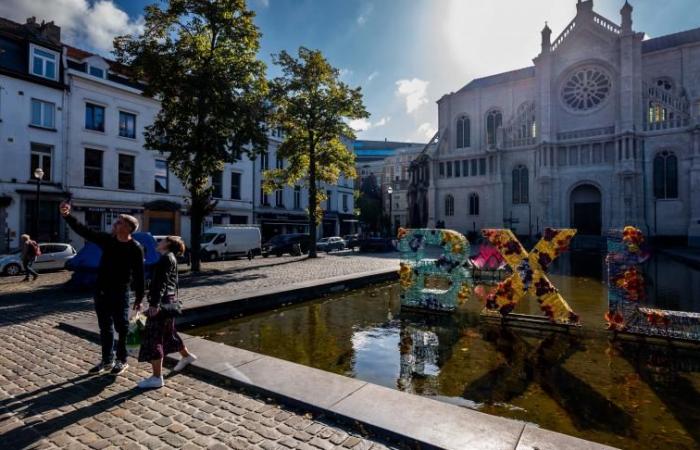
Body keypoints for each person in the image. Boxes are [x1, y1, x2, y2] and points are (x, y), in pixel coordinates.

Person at [59, 201, 144, 375]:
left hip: (120, 292)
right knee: (105, 327)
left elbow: (139, 274)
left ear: (128, 228)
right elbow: (85, 231)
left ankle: (122, 360)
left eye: (119, 222)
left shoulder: (135, 248)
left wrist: (139, 298)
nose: (115, 224)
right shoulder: (107, 240)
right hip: (102, 291)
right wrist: (67, 216)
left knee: (122, 327)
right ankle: (107, 360)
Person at [135, 236, 196, 389]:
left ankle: (157, 377)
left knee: (154, 337)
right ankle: (187, 357)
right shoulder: (171, 258)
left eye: (161, 241)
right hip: (169, 301)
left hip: (162, 303)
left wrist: (154, 304)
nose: (158, 243)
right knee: (169, 332)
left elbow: (160, 283)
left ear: (168, 244)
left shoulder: (165, 259)